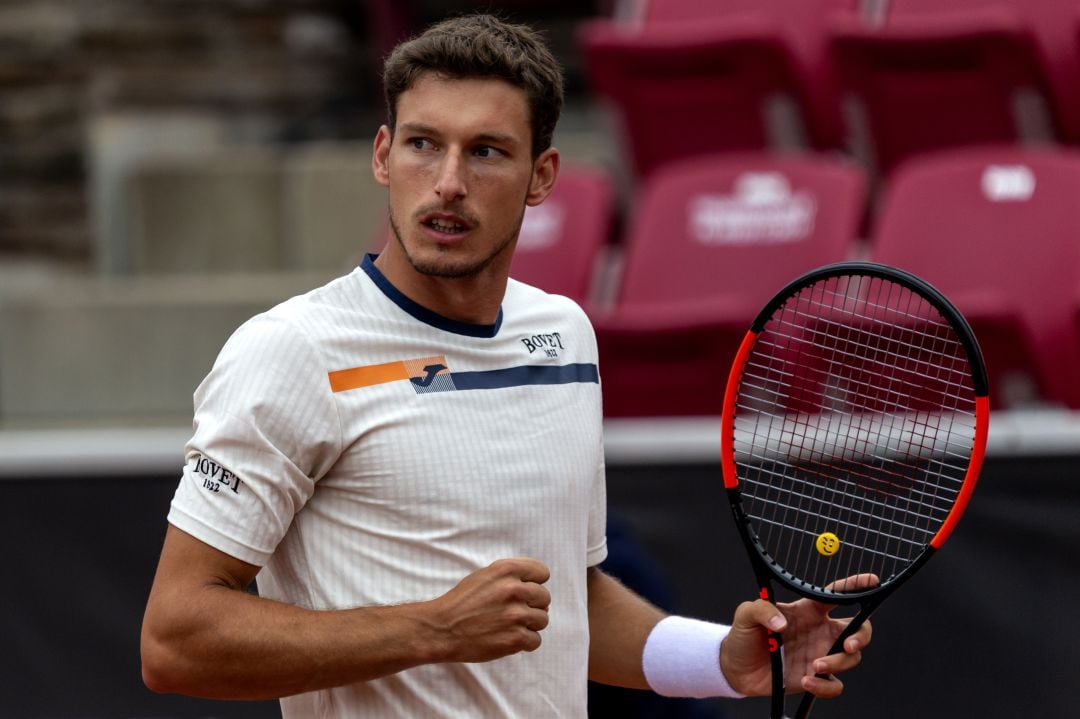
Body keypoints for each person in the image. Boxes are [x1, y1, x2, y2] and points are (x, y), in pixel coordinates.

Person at [140, 13, 872, 717]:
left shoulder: (564, 336)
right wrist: (431, 629)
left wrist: (719, 660)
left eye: (485, 151)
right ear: (381, 155)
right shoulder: (290, 350)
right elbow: (174, 640)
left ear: (541, 175)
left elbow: (564, 601)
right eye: (423, 144)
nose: (448, 181)